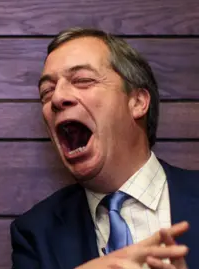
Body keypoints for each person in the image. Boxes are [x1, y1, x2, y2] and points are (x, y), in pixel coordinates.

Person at [10, 27, 199, 269]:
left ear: (138, 102)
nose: (57, 98)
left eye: (82, 80)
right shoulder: (35, 233)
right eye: (46, 92)